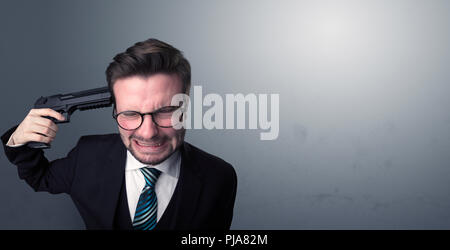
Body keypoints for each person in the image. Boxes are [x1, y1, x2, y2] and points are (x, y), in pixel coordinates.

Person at [1, 38, 237, 230]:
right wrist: (20, 141)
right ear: (114, 110)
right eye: (131, 113)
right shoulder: (86, 156)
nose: (148, 133)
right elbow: (40, 178)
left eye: (166, 111)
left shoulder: (219, 178)